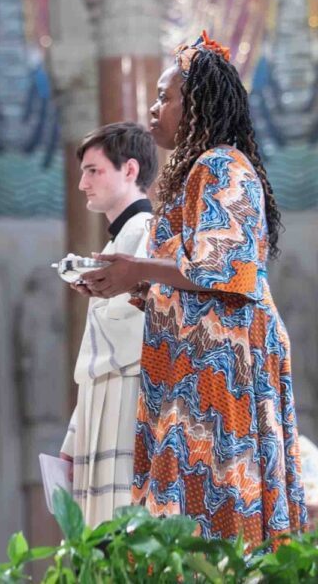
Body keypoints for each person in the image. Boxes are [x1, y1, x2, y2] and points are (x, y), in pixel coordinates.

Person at [81, 31, 307, 544]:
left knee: (212, 495)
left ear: (198, 103)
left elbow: (223, 267)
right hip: (195, 355)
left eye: (166, 96)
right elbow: (181, 278)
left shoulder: (221, 164)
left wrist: (136, 269)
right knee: (188, 502)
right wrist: (121, 281)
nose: (154, 108)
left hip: (222, 359)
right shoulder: (193, 174)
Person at [58, 122, 157, 527]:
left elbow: (152, 328)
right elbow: (96, 354)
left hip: (130, 398)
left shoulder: (148, 233)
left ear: (130, 170)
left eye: (93, 171)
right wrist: (74, 436)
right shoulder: (118, 242)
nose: (83, 184)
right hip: (105, 399)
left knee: (123, 532)